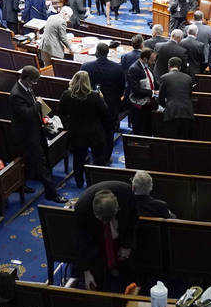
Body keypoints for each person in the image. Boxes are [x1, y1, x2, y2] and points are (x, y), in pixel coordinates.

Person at [12, 66, 66, 202]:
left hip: (36, 130)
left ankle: (21, 185)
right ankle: (52, 194)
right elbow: (27, 114)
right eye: (34, 81)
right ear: (26, 78)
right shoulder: (16, 94)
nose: (34, 84)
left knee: (30, 161)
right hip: (28, 135)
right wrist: (37, 105)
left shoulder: (26, 87)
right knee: (41, 164)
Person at [72, 180, 137, 290]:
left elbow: (133, 220)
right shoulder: (82, 209)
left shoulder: (126, 193)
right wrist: (86, 271)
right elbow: (81, 241)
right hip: (96, 237)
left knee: (130, 270)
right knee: (97, 274)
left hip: (123, 230)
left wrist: (127, 245)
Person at [58, 71, 109, 188]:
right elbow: (105, 112)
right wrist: (102, 98)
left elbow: (61, 113)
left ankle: (79, 182)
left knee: (78, 159)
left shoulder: (66, 95)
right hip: (94, 132)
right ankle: (97, 181)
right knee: (98, 157)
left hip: (76, 132)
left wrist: (68, 125)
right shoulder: (95, 96)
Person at [85, 40, 127, 146]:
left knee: (93, 128)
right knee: (109, 131)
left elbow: (84, 86)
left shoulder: (86, 66)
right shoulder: (117, 67)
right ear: (107, 53)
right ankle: (107, 156)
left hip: (91, 104)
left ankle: (95, 153)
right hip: (111, 104)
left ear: (96, 52)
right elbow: (122, 87)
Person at [157, 57, 195, 138]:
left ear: (169, 66)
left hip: (172, 113)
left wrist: (166, 106)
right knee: (184, 141)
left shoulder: (164, 77)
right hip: (187, 112)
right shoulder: (188, 78)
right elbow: (190, 95)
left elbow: (161, 99)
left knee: (172, 142)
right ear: (180, 67)